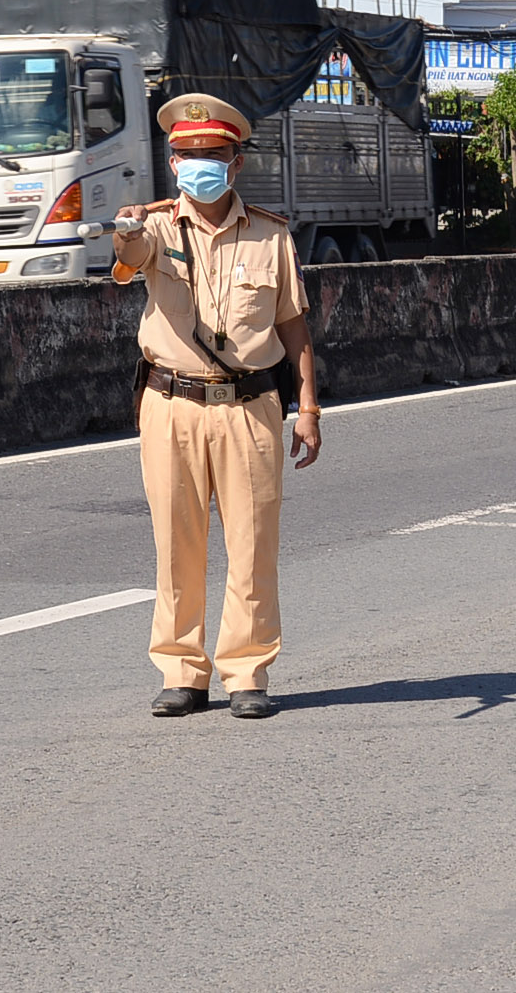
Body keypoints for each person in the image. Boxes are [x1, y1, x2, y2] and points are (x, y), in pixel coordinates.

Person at [110, 93, 323, 719]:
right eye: (187, 154)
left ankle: (247, 671)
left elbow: (294, 328)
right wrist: (124, 232)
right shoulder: (150, 228)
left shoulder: (271, 234)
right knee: (176, 541)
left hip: (251, 407)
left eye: (212, 154)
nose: (199, 163)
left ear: (235, 162)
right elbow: (128, 262)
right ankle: (182, 670)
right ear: (172, 163)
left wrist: (307, 407)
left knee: (253, 542)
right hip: (169, 401)